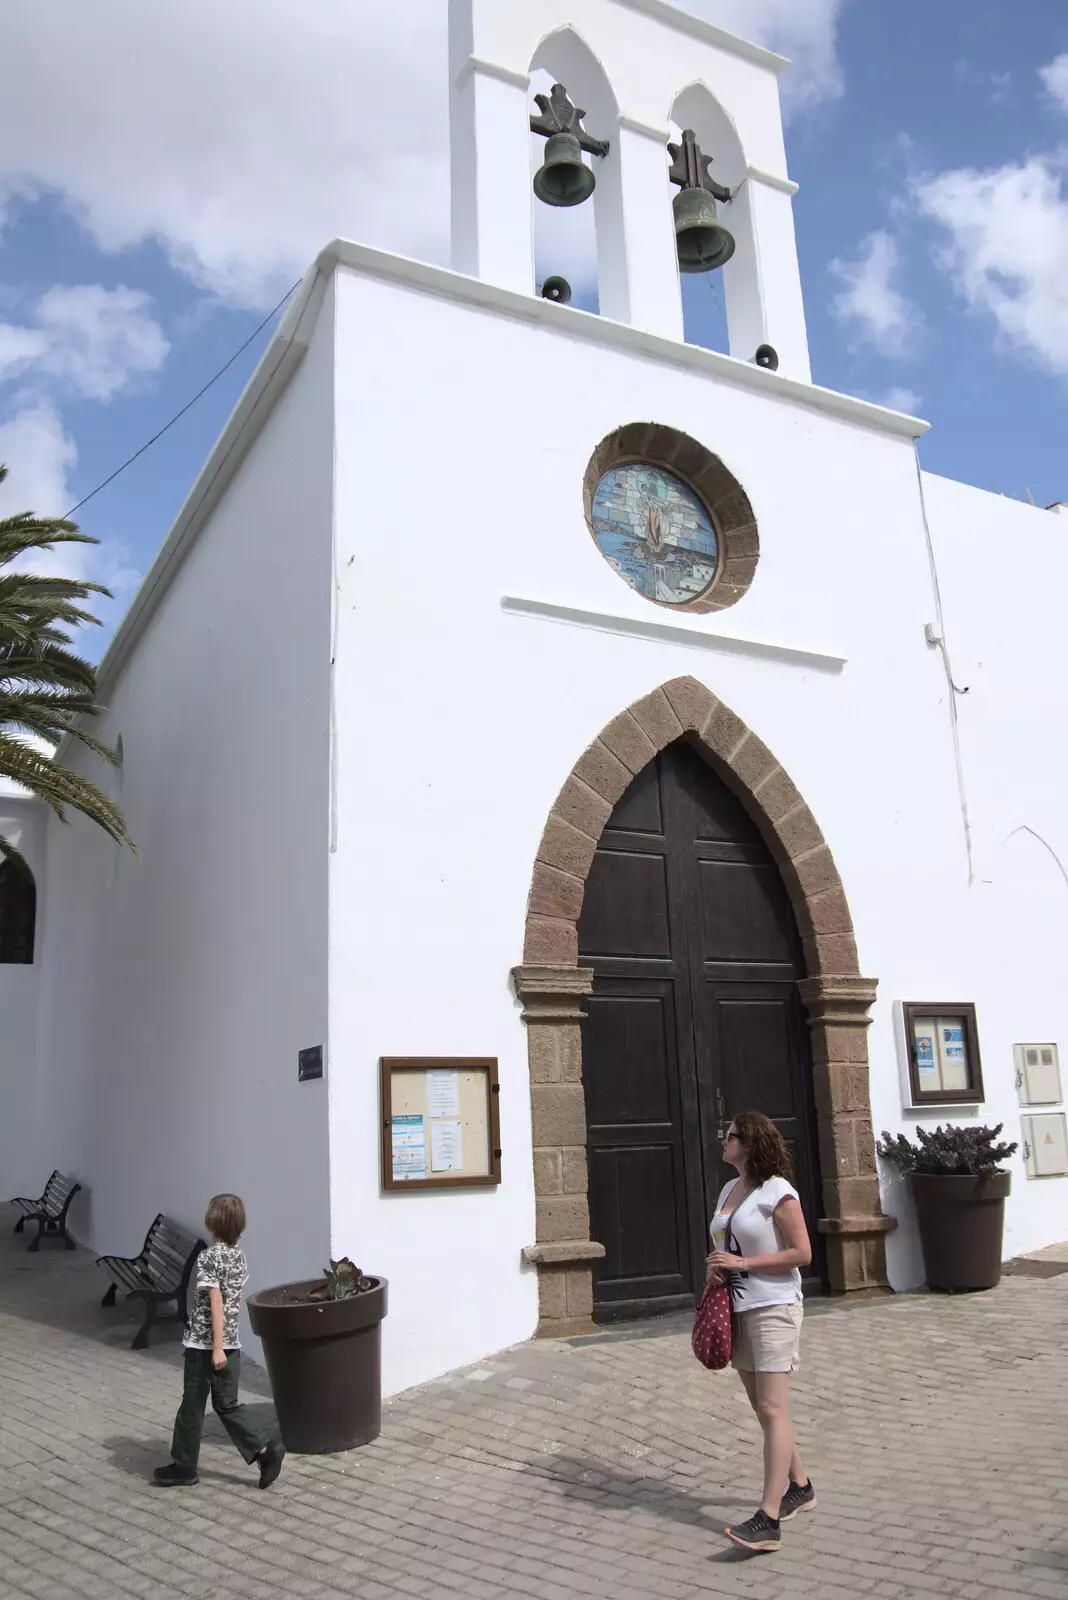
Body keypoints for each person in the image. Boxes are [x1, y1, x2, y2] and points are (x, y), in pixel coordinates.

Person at [706, 1112, 815, 1554]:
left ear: (748, 1143)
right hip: (738, 1307)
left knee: (773, 1407)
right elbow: (723, 1244)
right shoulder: (729, 1190)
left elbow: (802, 1253)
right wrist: (715, 1270)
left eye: (729, 1136)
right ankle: (801, 1486)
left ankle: (768, 1518)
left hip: (774, 1308)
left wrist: (744, 1265)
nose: (723, 1142)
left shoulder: (779, 1192)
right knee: (763, 1407)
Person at [153, 1193, 285, 1489]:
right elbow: (235, 1298)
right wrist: (227, 1340)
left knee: (192, 1406)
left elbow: (215, 1300)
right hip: (230, 1344)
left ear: (213, 1223)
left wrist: (215, 1348)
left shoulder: (209, 1257)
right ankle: (265, 1451)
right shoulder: (239, 1256)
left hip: (204, 1347)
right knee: (228, 1404)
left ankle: (184, 1467)